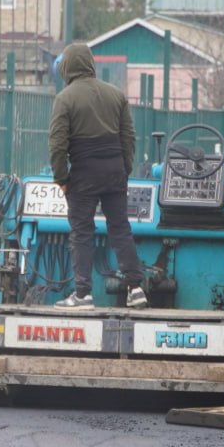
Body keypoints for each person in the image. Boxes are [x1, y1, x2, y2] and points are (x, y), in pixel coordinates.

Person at [47, 43, 148, 310]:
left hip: (83, 173)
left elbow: (57, 144)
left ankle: (82, 294)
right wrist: (123, 169)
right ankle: (136, 288)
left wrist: (62, 179)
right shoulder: (115, 94)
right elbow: (129, 137)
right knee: (120, 228)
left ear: (67, 67)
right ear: (90, 63)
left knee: (82, 232)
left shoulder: (65, 98)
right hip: (115, 169)